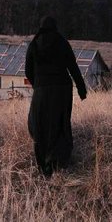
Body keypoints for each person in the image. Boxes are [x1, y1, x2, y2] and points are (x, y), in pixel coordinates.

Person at [25, 16, 87, 177]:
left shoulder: (34, 44)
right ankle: (60, 161)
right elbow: (72, 66)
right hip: (62, 89)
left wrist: (38, 84)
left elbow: (28, 70)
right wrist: (81, 89)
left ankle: (45, 166)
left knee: (40, 125)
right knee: (61, 123)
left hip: (42, 90)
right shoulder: (62, 42)